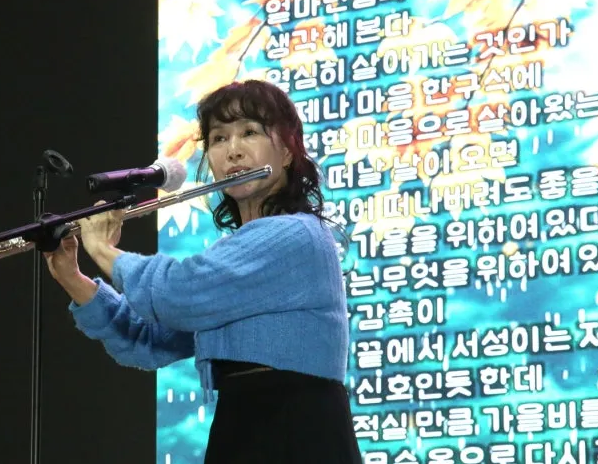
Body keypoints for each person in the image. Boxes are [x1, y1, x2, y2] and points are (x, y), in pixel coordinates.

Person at [44, 79, 362, 463]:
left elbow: (177, 294)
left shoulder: (296, 235)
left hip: (296, 426)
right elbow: (147, 339)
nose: (233, 150)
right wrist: (73, 278)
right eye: (218, 138)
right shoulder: (236, 253)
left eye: (250, 132)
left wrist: (102, 249)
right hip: (243, 422)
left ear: (287, 151)